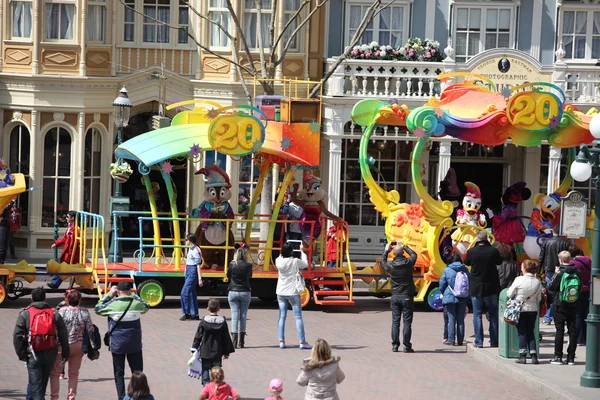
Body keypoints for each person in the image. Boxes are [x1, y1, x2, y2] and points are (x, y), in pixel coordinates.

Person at [95, 281, 150, 400]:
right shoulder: (136, 303)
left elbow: (98, 308)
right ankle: (139, 396)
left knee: (119, 373)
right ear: (130, 291)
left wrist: (109, 294)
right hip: (134, 343)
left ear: (118, 291)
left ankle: (121, 397)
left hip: (117, 344)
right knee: (137, 372)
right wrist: (133, 295)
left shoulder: (113, 304)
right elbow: (146, 305)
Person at [13, 287, 70, 400]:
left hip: (33, 353)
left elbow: (17, 336)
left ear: (32, 298)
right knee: (42, 385)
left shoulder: (25, 314)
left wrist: (22, 354)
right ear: (45, 299)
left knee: (36, 387)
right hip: (50, 352)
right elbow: (63, 334)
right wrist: (66, 353)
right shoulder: (54, 314)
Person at [49, 289, 94, 399]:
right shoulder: (85, 311)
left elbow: (54, 326)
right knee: (73, 374)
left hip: (62, 345)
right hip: (78, 345)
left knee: (55, 373)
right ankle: (71, 397)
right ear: (80, 300)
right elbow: (90, 329)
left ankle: (54, 397)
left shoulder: (62, 311)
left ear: (68, 299)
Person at [464, 230, 502, 348]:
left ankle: (479, 342)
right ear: (487, 239)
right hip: (491, 286)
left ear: (477, 239)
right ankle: (494, 340)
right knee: (493, 314)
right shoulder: (493, 251)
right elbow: (499, 262)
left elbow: (467, 262)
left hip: (476, 287)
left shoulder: (471, 251)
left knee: (477, 315)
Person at [380, 241, 417, 353]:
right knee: (407, 322)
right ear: (402, 253)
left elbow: (383, 262)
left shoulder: (391, 265)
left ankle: (395, 345)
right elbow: (414, 255)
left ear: (394, 254)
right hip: (407, 296)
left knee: (395, 322)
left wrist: (386, 250)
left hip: (395, 296)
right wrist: (404, 246)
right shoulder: (408, 263)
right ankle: (407, 346)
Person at [275, 242, 311, 350]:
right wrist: (302, 252)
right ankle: (302, 341)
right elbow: (305, 264)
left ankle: (281, 341)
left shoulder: (278, 261)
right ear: (291, 251)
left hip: (281, 292)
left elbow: (280, 256)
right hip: (293, 292)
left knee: (282, 317)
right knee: (298, 317)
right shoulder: (295, 261)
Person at [192, 298, 236, 385]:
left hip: (205, 351)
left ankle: (206, 386)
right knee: (216, 371)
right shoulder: (222, 322)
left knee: (205, 369)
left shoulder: (204, 321)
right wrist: (227, 352)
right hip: (217, 351)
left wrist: (194, 348)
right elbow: (226, 338)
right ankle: (215, 386)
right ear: (219, 309)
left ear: (208, 308)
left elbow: (198, 336)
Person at [548, 251, 581, 365]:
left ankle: (558, 356)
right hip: (573, 303)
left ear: (560, 260)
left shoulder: (560, 272)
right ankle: (571, 357)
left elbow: (551, 287)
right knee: (572, 330)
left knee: (560, 330)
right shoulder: (577, 271)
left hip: (560, 303)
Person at [507, 260, 543, 364]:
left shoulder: (519, 279)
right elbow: (538, 299)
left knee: (522, 332)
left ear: (525, 268)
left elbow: (509, 294)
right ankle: (533, 356)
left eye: (522, 267)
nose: (521, 268)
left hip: (520, 309)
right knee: (531, 332)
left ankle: (522, 356)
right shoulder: (537, 282)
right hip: (532, 309)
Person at [538, 225, 570, 324]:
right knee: (562, 292)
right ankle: (556, 315)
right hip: (563, 269)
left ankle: (548, 316)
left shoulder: (547, 242)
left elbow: (541, 258)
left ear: (553, 232)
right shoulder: (565, 243)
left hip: (550, 270)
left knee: (551, 294)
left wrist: (538, 271)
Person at [439, 253, 470, 346]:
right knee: (460, 319)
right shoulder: (465, 269)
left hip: (450, 296)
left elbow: (442, 284)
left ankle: (451, 339)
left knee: (451, 318)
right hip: (462, 297)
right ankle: (460, 340)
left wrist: (444, 293)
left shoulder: (447, 270)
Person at [227, 243, 253, 348]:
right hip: (245, 291)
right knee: (243, 316)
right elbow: (250, 276)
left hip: (233, 290)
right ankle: (241, 342)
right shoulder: (249, 265)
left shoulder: (232, 264)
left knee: (234, 316)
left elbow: (228, 275)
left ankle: (234, 341)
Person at [48, 211, 80, 289]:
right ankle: (55, 283)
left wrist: (71, 253)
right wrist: (56, 243)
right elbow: (65, 239)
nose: (66, 218)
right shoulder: (70, 227)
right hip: (68, 252)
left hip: (71, 253)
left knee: (63, 268)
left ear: (72, 218)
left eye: (67, 217)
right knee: (63, 268)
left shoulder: (76, 229)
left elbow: (75, 243)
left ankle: (55, 283)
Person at [569, 245, 591, 345]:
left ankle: (579, 339)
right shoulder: (588, 260)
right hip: (588, 289)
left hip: (576, 290)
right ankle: (588, 337)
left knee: (577, 314)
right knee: (586, 313)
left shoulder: (572, 263)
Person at [180, 233, 203, 321]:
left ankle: (187, 312)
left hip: (193, 270)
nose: (185, 241)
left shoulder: (196, 249)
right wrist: (185, 270)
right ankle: (194, 313)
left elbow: (198, 265)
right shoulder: (190, 249)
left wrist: (199, 278)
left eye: (186, 240)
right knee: (191, 293)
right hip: (189, 269)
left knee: (184, 292)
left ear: (190, 240)